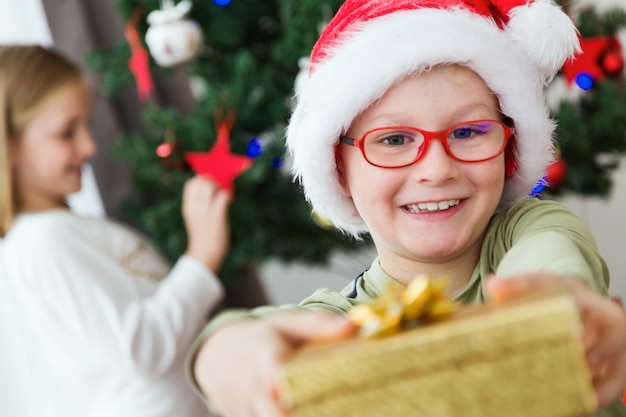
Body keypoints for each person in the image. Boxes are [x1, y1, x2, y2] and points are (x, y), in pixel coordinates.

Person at [189, 0, 626, 416]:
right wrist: (220, 354)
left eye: (469, 131)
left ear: (508, 148)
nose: (437, 170)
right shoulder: (345, 324)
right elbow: (254, 338)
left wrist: (560, 300)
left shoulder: (531, 229)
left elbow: (554, 258)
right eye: (394, 140)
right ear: (339, 168)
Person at [0, 45, 232, 417]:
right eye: (66, 132)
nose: (89, 146)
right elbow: (141, 349)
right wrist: (202, 256)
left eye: (86, 126)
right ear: (9, 146)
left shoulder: (61, 233)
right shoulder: (44, 241)